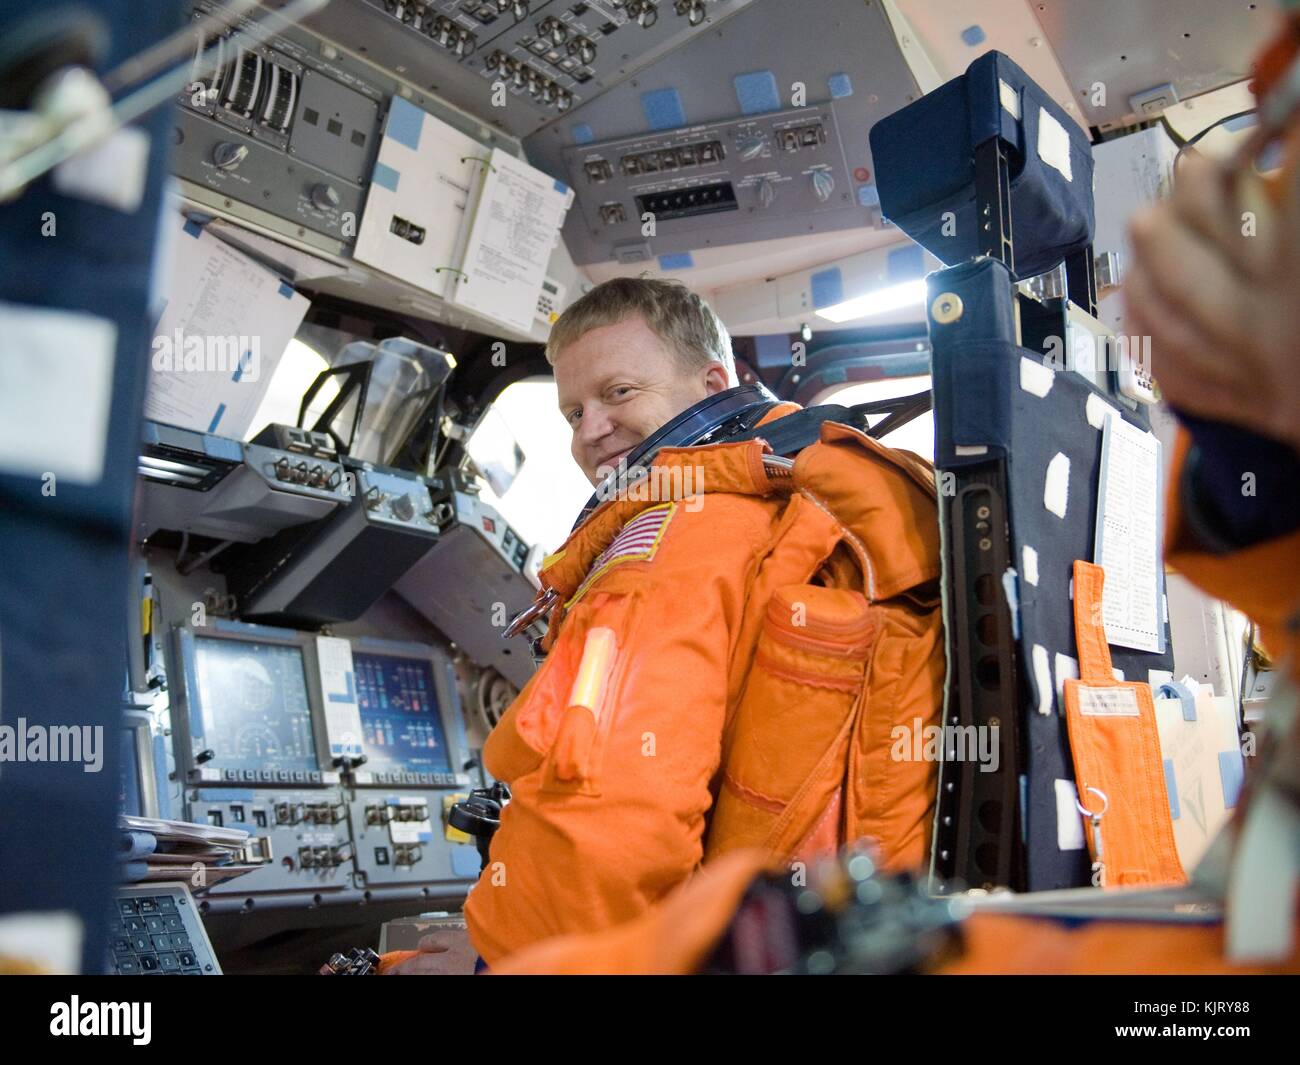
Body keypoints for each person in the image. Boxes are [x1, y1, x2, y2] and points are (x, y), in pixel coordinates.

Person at [383, 278, 945, 972]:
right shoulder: (811, 498)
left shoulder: (674, 537)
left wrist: (494, 962)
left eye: (619, 392)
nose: (590, 430)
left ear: (714, 380)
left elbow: (606, 817)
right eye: (572, 411)